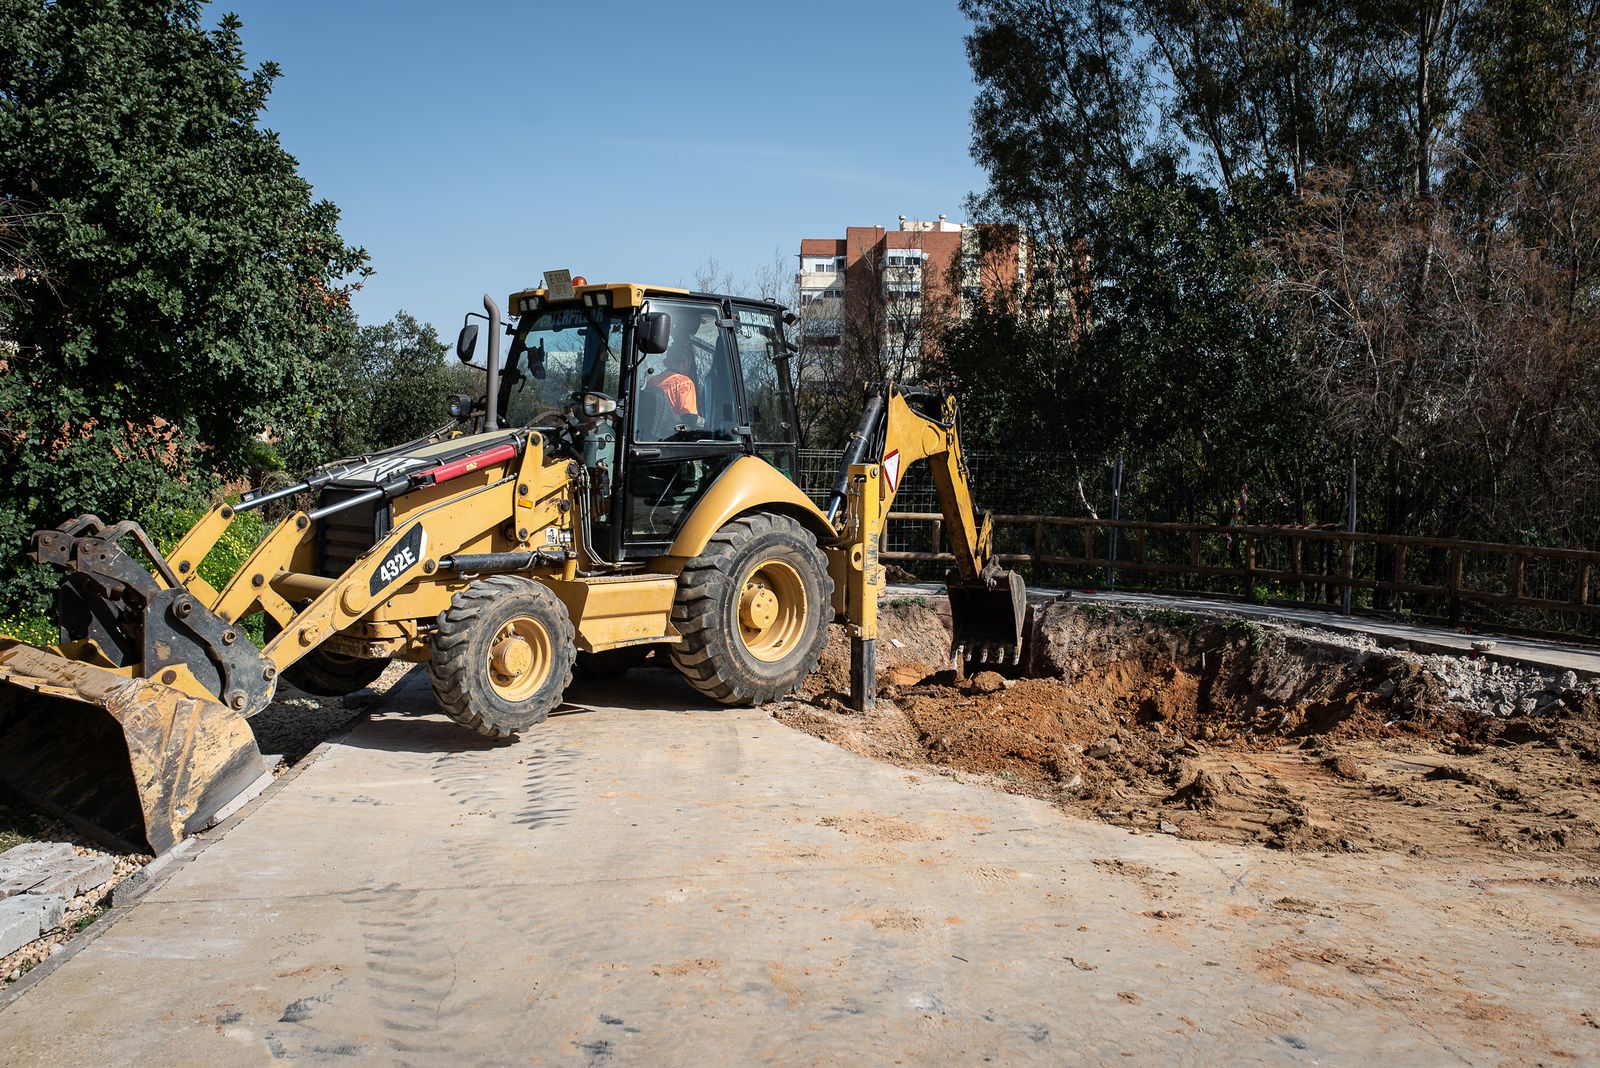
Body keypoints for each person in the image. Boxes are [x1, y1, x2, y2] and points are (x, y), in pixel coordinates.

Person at [651, 346, 699, 419]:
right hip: (669, 426)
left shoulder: (652, 380)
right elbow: (689, 418)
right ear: (686, 362)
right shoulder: (685, 382)